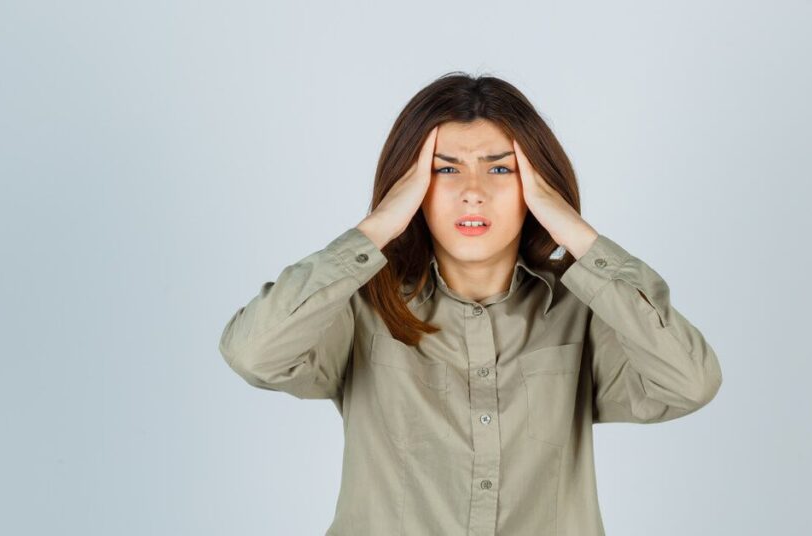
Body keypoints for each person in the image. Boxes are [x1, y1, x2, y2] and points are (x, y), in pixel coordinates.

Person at [218, 72, 723, 536]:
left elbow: (689, 382)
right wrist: (375, 229)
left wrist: (577, 233)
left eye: (500, 168)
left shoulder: (585, 311)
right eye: (446, 170)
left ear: (536, 186)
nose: (473, 193)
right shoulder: (360, 308)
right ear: (410, 188)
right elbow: (254, 353)